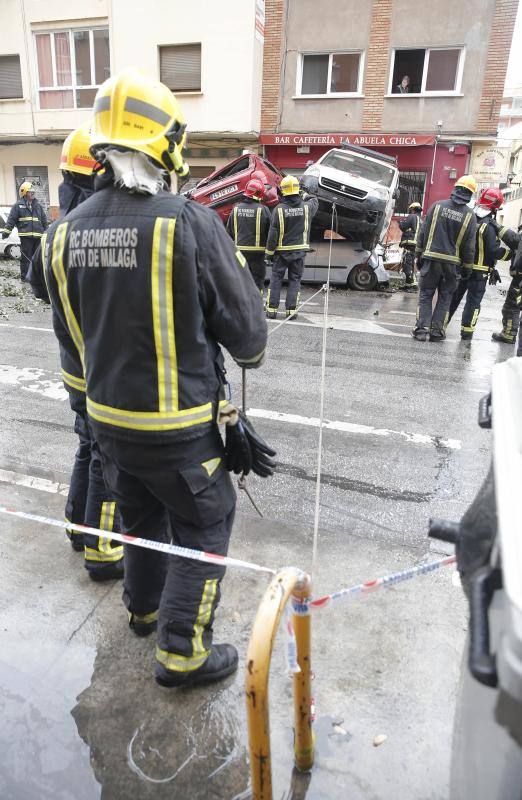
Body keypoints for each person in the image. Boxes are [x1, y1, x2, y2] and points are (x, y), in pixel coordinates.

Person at [43, 69, 271, 687]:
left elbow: (72, 337)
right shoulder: (188, 222)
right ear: (163, 142)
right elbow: (248, 342)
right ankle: (183, 650)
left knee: (140, 520)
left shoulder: (60, 236)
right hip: (182, 434)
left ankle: (143, 611)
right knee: (203, 525)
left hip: (107, 426)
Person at [27, 123, 124, 580]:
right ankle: (102, 550)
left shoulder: (58, 230)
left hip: (73, 368)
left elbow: (37, 285)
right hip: (105, 372)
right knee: (107, 455)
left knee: (88, 443)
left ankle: (77, 524)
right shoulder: (105, 227)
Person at [412, 175, 477, 342]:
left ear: (455, 188)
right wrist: (468, 267)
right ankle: (436, 332)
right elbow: (469, 246)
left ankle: (421, 330)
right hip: (452, 265)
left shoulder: (437, 206)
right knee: (445, 297)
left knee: (426, 294)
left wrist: (418, 254)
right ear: (470, 194)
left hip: (431, 260)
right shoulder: (470, 216)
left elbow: (423, 233)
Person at [447, 187, 507, 340]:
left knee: (453, 298)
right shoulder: (490, 225)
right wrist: (509, 254)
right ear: (494, 207)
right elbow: (494, 250)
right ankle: (466, 332)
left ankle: (441, 325)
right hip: (479, 273)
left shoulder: (468, 218)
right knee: (473, 302)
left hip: (462, 268)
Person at [265, 175, 318, 320]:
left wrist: (268, 255)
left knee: (276, 280)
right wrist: (305, 194)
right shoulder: (307, 208)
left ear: (283, 191)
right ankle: (291, 312)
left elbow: (272, 235)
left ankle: (271, 310)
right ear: (297, 190)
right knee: (295, 281)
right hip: (299, 252)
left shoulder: (278, 210)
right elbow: (315, 201)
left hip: (281, 253)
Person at [226, 178, 271, 292]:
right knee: (257, 281)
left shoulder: (235, 209)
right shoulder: (264, 210)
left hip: (239, 252)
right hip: (258, 254)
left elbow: (229, 233)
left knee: (241, 281)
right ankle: (256, 306)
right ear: (259, 194)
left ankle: (240, 307)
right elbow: (270, 231)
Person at [2, 181, 48, 281]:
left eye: (33, 191)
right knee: (26, 259)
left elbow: (44, 220)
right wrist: (6, 232)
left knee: (38, 258)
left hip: (38, 237)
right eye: (30, 191)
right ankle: (25, 277)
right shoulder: (18, 206)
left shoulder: (38, 206)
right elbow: (11, 220)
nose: (32, 193)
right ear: (24, 193)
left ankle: (37, 277)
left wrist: (48, 232)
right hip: (26, 237)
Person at [491, 221, 522, 354]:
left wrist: (497, 226)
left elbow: (513, 239)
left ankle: (508, 334)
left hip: (520, 280)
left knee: (511, 306)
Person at [398, 201, 422, 290]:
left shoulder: (412, 216)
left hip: (410, 244)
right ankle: (408, 284)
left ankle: (412, 285)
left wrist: (400, 222)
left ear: (412, 210)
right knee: (411, 264)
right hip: (417, 246)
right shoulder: (421, 220)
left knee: (407, 264)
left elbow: (403, 226)